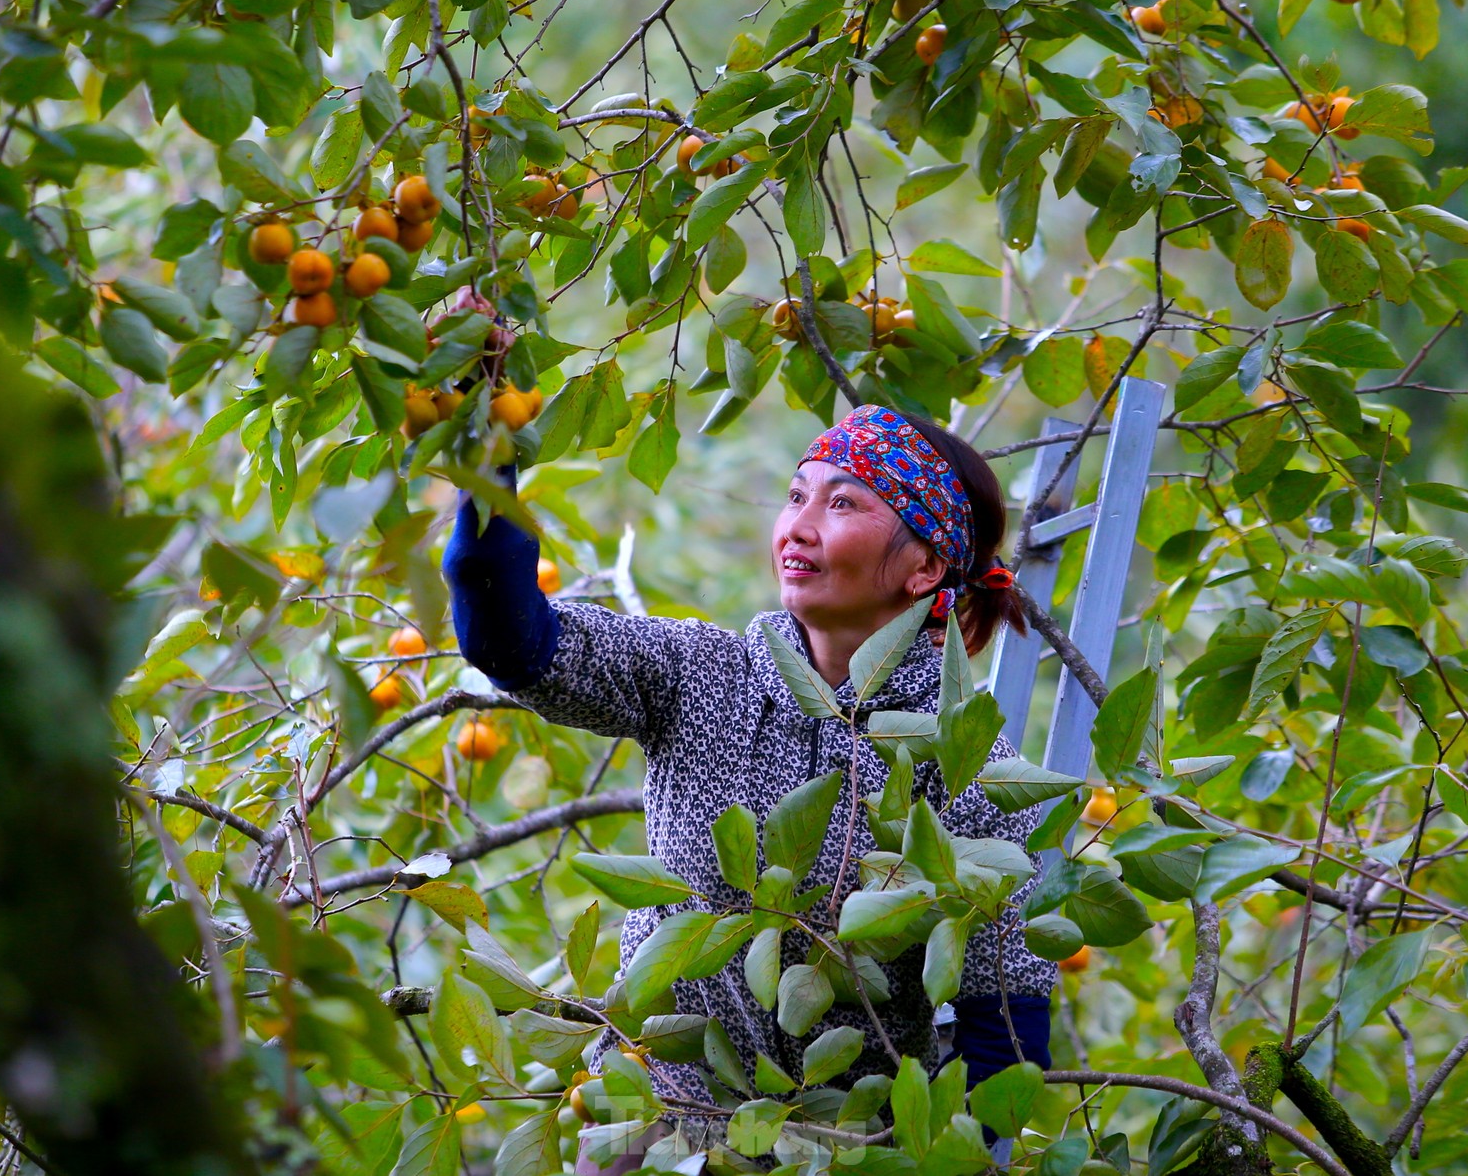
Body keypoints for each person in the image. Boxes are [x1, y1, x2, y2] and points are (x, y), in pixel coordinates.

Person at [442, 404, 1055, 1171]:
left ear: (924, 567)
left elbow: (1007, 1003)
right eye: (797, 495)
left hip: (839, 1144)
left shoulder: (956, 751)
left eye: (842, 503)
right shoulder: (701, 674)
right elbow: (509, 637)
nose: (798, 525)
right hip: (649, 1112)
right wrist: (486, 447)